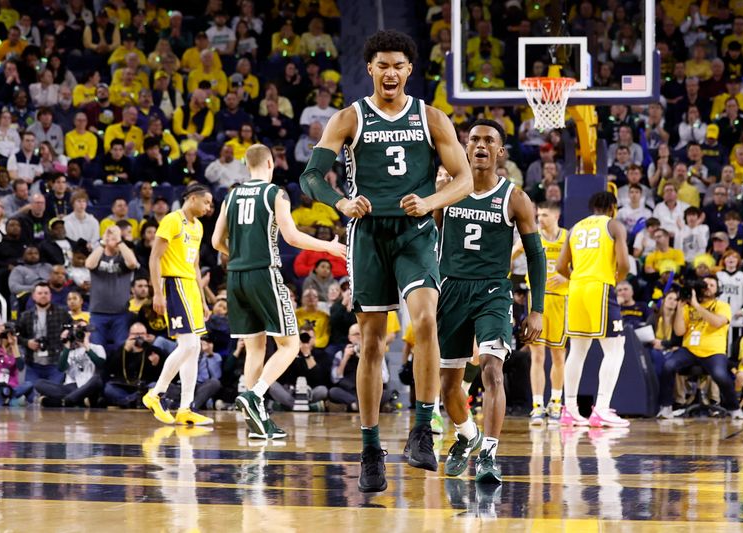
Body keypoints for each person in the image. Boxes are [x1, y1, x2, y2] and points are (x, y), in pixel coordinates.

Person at [299, 30, 472, 493]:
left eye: (398, 65)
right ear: (370, 70)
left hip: (414, 233)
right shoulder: (349, 118)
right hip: (368, 235)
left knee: (426, 322)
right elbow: (311, 177)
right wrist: (340, 202)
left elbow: (465, 178)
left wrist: (432, 200)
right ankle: (371, 447)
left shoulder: (431, 117)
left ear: (409, 70)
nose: (391, 72)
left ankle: (421, 430)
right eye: (383, 65)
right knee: (372, 342)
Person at [211, 144, 345, 440]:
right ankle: (255, 395)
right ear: (271, 163)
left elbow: (215, 241)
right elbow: (292, 236)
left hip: (234, 276)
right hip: (263, 274)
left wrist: (238, 255)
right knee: (290, 345)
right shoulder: (275, 194)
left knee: (255, 348)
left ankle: (256, 419)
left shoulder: (231, 194)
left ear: (247, 165)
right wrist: (330, 247)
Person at [437, 120, 545, 485]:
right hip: (450, 289)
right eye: (474, 139)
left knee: (491, 369)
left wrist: (537, 308)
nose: (480, 145)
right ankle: (468, 436)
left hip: (492, 293)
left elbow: (536, 256)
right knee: (449, 387)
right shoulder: (447, 190)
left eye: (489, 140)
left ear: (500, 152)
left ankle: (490, 455)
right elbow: (427, 238)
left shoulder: (515, 197)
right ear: (465, 148)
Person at [554, 192, 631, 428]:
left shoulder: (575, 228)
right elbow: (625, 264)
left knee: (577, 349)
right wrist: (615, 280)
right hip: (600, 287)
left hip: (576, 289)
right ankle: (602, 409)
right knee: (616, 348)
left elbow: (560, 266)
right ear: (612, 207)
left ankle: (569, 409)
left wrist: (577, 279)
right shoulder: (614, 225)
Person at [142, 183, 214, 426]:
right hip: (173, 284)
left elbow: (195, 265)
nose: (208, 207)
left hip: (191, 288)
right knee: (189, 344)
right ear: (192, 198)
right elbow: (154, 258)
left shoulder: (199, 227)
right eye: (206, 202)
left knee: (194, 348)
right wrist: (157, 293)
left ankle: (185, 408)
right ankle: (155, 394)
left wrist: (203, 298)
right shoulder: (173, 220)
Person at [657, 275, 743, 419]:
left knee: (720, 376)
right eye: (705, 285)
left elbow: (717, 322)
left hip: (713, 351)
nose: (708, 287)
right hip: (689, 350)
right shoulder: (687, 307)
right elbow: (679, 331)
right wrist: (680, 307)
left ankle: (734, 408)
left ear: (718, 290)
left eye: (712, 285)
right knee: (668, 365)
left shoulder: (722, 306)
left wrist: (697, 305)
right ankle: (666, 407)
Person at [511, 201, 565, 425]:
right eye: (538, 214)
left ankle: (555, 402)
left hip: (562, 300)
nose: (539, 218)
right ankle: (537, 405)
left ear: (556, 216)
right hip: (537, 300)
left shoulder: (567, 237)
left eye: (544, 215)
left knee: (558, 355)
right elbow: (509, 256)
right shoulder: (531, 235)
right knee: (537, 355)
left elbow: (582, 265)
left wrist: (567, 276)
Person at [85, 225, 138, 352]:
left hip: (121, 313)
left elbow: (132, 263)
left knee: (122, 348)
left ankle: (119, 372)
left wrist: (119, 241)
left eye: (115, 237)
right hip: (98, 312)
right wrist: (103, 242)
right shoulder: (98, 256)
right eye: (110, 237)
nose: (112, 240)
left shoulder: (123, 257)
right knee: (96, 348)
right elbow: (89, 264)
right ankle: (98, 372)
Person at [33, 320, 105, 407]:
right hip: (72, 387)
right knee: (39, 383)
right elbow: (61, 368)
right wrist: (66, 346)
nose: (81, 332)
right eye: (78, 330)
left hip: (89, 386)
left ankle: (65, 402)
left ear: (89, 332)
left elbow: (100, 364)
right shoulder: (68, 351)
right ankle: (79, 401)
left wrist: (87, 347)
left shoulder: (97, 348)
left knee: (97, 380)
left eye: (83, 329)